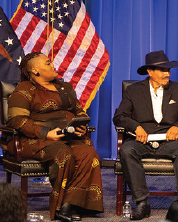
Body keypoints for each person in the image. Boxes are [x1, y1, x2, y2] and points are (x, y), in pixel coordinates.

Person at [6, 52, 104, 221]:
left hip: (68, 137)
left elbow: (78, 110)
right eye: (48, 63)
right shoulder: (24, 90)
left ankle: (69, 205)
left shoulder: (64, 87)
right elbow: (16, 120)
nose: (53, 65)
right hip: (35, 140)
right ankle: (58, 207)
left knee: (89, 154)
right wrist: (46, 133)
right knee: (63, 152)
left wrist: (81, 125)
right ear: (36, 71)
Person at [113, 50, 178, 220]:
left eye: (168, 70)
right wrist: (136, 127)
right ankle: (142, 202)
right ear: (149, 72)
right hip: (142, 141)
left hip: (169, 141)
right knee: (126, 150)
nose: (167, 73)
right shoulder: (133, 91)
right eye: (162, 70)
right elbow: (119, 117)